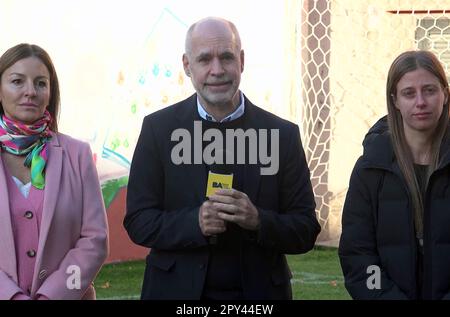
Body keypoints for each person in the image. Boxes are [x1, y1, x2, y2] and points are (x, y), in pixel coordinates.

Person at [124, 17, 320, 300]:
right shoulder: (158, 130)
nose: (217, 70)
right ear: (187, 66)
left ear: (241, 61)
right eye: (204, 59)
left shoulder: (282, 135)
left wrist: (258, 220)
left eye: (226, 57)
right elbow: (139, 222)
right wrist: (195, 222)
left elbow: (305, 229)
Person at [0, 44, 109, 300]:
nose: (30, 92)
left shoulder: (77, 155)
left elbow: (94, 240)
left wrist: (54, 295)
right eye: (17, 81)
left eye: (40, 83)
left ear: (50, 93)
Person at [339, 50, 450, 299]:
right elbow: (359, 256)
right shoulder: (370, 169)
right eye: (409, 93)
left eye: (430, 90)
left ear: (445, 94)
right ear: (395, 100)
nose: (420, 102)